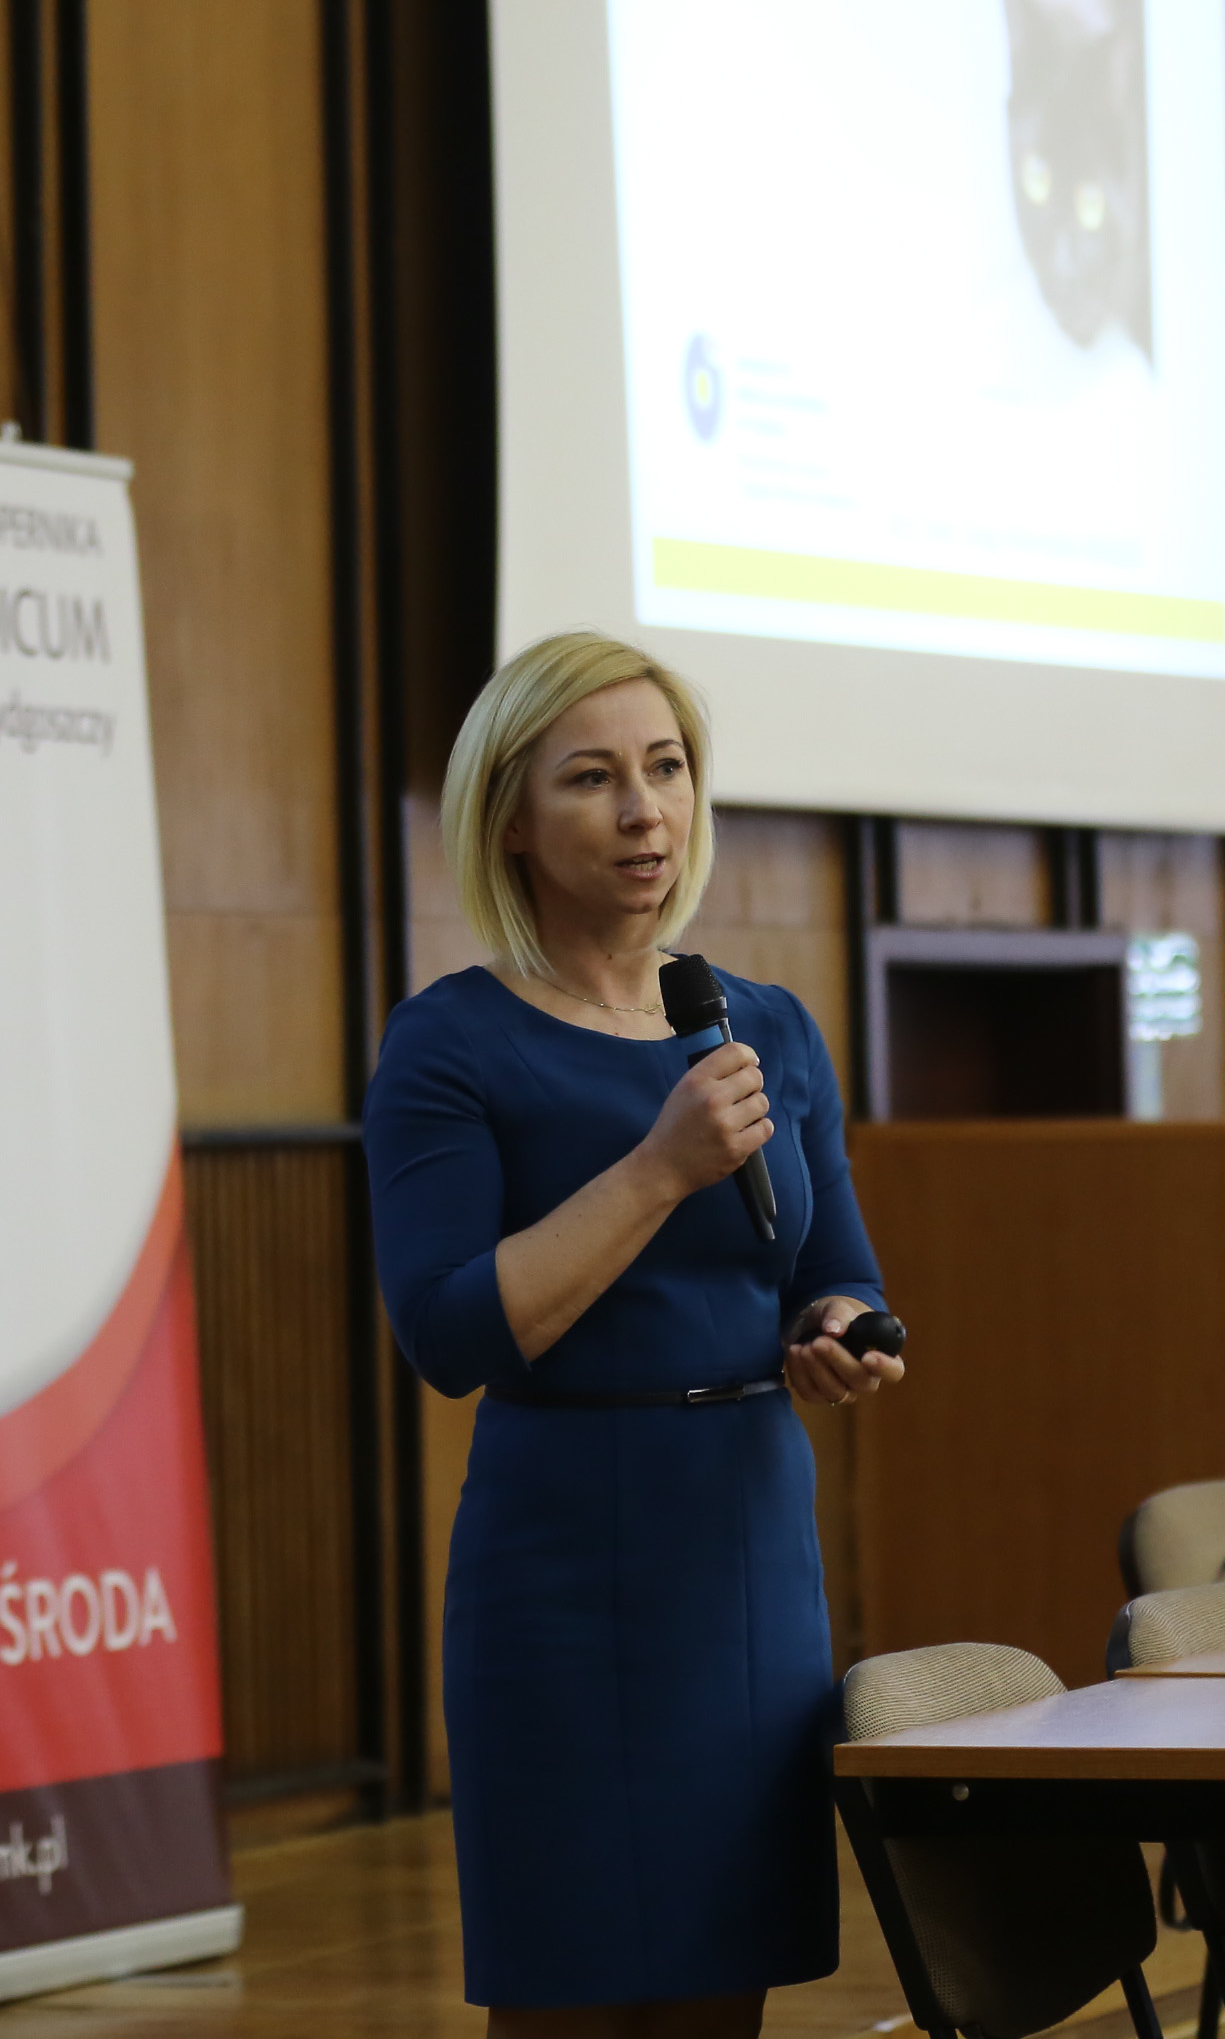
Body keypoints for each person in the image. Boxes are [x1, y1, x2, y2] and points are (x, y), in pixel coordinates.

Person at [367, 630, 905, 2039]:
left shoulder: (764, 1027)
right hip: (566, 1565)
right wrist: (659, 1169)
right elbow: (448, 1334)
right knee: (575, 1995)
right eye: (592, 778)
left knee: (723, 1998)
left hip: (748, 1559)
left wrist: (844, 1331)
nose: (643, 811)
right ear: (509, 819)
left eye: (665, 769)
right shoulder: (450, 1043)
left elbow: (834, 1272)